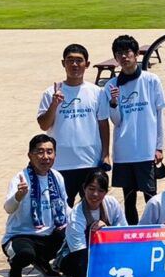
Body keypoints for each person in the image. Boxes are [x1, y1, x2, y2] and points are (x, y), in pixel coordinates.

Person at [37, 44, 111, 206]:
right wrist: (54, 104)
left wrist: (105, 153)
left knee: (93, 208)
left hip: (90, 161)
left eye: (79, 61)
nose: (75, 65)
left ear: (87, 64)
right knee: (61, 210)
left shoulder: (96, 92)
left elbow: (103, 124)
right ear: (63, 63)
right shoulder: (51, 93)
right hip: (61, 163)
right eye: (70, 61)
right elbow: (44, 125)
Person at [106, 35, 165, 224]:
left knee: (151, 198)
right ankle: (133, 233)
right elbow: (116, 121)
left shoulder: (151, 80)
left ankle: (154, 234)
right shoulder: (111, 85)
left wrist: (159, 147)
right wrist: (114, 103)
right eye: (119, 54)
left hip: (146, 151)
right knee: (129, 199)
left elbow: (158, 115)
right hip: (124, 152)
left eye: (127, 52)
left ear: (135, 54)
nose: (124, 57)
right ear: (116, 58)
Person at [1, 134, 68, 277]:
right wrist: (18, 196)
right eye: (40, 152)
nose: (45, 156)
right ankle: (15, 273)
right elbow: (8, 208)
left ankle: (42, 262)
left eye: (49, 152)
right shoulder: (20, 178)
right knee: (25, 254)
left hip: (48, 235)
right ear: (30, 155)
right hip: (21, 235)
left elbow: (65, 208)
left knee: (75, 235)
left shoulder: (57, 177)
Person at [56, 169, 126, 277]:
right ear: (84, 188)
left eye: (100, 190)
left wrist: (107, 230)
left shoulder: (112, 204)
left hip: (102, 253)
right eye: (91, 189)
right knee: (78, 263)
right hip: (74, 257)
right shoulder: (76, 216)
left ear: (106, 192)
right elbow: (80, 256)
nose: (95, 195)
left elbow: (124, 234)